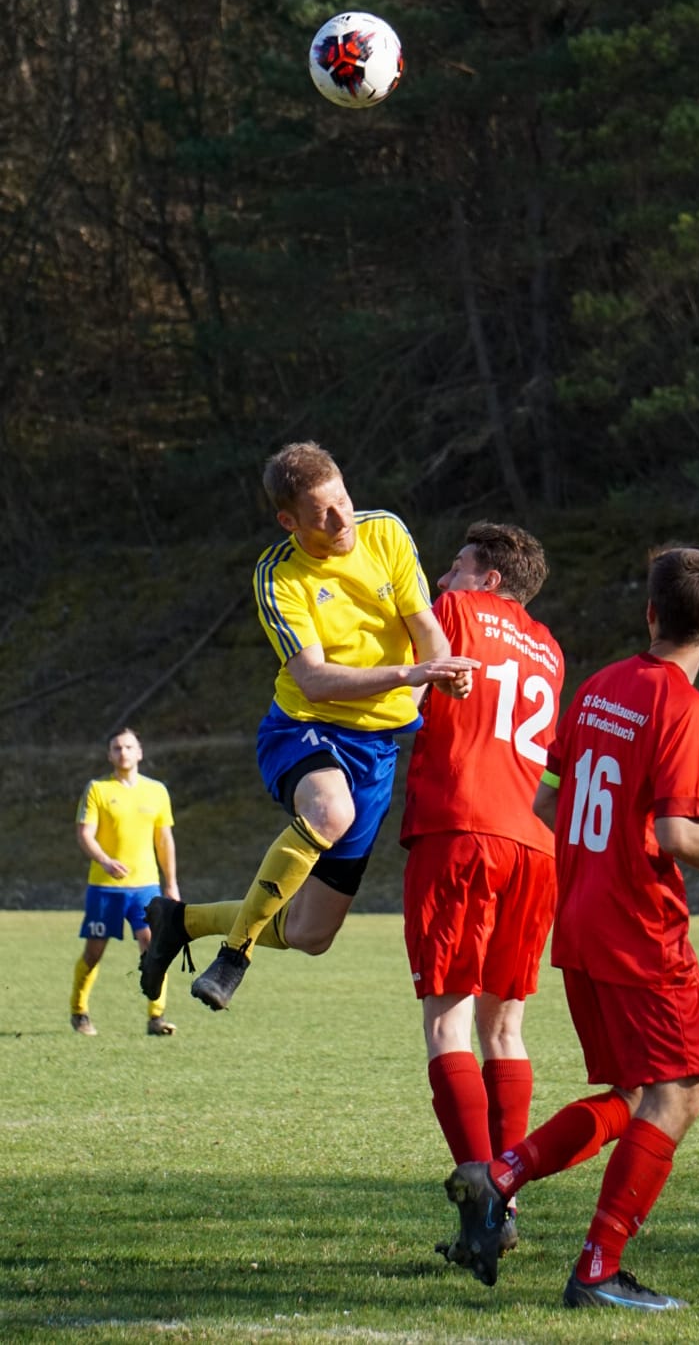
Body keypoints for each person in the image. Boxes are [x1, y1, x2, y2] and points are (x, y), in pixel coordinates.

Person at [441, 544, 699, 1310]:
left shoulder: (596, 690)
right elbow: (680, 835)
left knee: (635, 1091)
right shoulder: (685, 707)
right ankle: (595, 1271)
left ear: (650, 613)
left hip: (579, 920)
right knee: (678, 1096)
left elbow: (547, 798)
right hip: (640, 929)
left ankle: (500, 1177)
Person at [139, 441, 477, 1011]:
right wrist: (413, 672)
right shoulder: (278, 576)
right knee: (330, 812)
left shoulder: (386, 532)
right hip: (305, 726)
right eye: (322, 512)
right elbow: (315, 680)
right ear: (287, 520)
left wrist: (440, 674)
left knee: (309, 934)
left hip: (377, 748)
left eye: (344, 499)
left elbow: (428, 630)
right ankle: (234, 955)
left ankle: (181, 921)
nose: (341, 519)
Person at [400, 522, 565, 1259]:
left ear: (488, 579)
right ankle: (510, 1198)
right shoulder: (551, 649)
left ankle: (481, 1205)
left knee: (447, 1024)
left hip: (460, 830)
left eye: (458, 565)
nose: (445, 574)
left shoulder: (457, 614)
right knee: (506, 1030)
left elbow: (389, 661)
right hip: (531, 846)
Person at [72, 727, 180, 1036]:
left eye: (129, 747)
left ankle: (156, 1017)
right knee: (94, 953)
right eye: (117, 748)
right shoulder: (97, 790)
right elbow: (84, 835)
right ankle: (79, 1012)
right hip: (105, 888)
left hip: (146, 887)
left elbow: (164, 840)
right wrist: (105, 860)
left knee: (153, 948)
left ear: (140, 752)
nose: (123, 753)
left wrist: (171, 883)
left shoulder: (156, 791)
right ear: (109, 755)